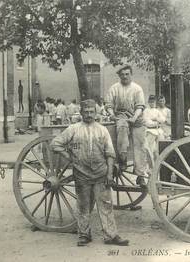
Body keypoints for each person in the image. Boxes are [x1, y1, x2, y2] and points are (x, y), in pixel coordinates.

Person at [51, 99, 129, 247]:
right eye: (86, 112)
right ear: (81, 113)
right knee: (83, 206)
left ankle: (111, 236)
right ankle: (84, 235)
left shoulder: (102, 130)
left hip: (101, 173)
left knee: (106, 205)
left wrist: (110, 174)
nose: (88, 115)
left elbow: (110, 154)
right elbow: (55, 144)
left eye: (91, 112)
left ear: (95, 113)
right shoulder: (73, 129)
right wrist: (70, 158)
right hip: (81, 175)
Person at [105, 65, 147, 186]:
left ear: (131, 74)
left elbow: (140, 106)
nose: (125, 76)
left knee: (140, 144)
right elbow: (108, 105)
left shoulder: (137, 88)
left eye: (127, 74)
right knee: (122, 129)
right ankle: (122, 160)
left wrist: (134, 118)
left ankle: (140, 175)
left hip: (137, 118)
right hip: (121, 116)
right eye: (122, 74)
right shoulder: (114, 88)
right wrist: (112, 115)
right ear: (119, 76)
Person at [143, 95, 165, 168]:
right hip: (150, 131)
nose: (152, 104)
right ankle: (151, 167)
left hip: (159, 131)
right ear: (148, 102)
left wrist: (155, 119)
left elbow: (163, 119)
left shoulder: (157, 110)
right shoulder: (146, 111)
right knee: (149, 150)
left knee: (160, 148)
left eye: (153, 102)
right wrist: (156, 121)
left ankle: (160, 165)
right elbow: (147, 122)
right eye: (151, 102)